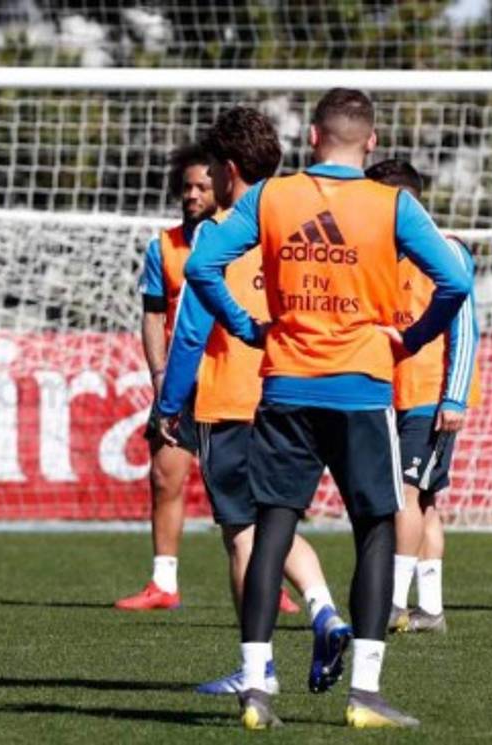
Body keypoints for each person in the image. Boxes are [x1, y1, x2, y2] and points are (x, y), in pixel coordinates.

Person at [185, 88, 470, 729]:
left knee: (272, 529)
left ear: (312, 138)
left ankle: (257, 688)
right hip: (364, 388)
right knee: (375, 528)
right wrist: (417, 337)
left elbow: (204, 265)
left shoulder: (270, 196)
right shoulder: (391, 203)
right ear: (370, 144)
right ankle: (364, 696)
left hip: (286, 385)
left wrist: (249, 324)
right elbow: (457, 280)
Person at [158, 108, 346, 696]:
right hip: (296, 387)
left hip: (230, 397)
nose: (207, 179)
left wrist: (169, 404)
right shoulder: (302, 220)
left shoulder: (220, 232)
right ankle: (324, 611)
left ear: (229, 168)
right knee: (279, 518)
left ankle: (256, 667)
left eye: (212, 167)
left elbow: (190, 331)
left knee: (242, 532)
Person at [365, 159, 479, 635]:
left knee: (404, 495)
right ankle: (429, 610)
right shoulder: (380, 255)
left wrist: (453, 398)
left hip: (429, 395)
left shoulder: (445, 251)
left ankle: (391, 603)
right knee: (425, 501)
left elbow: (466, 328)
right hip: (395, 393)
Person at [116, 144, 216, 611]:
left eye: (203, 186)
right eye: (187, 187)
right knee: (165, 477)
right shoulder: (165, 247)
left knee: (246, 485)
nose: (192, 195)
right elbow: (152, 316)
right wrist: (159, 373)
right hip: (180, 382)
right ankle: (164, 583)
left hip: (231, 380)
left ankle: (269, 579)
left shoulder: (245, 242)